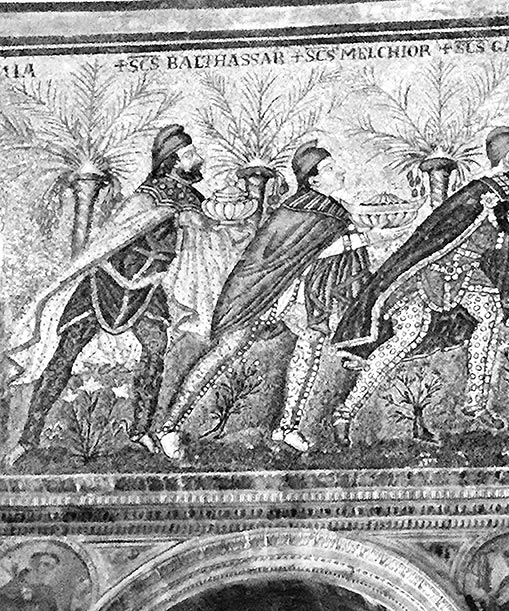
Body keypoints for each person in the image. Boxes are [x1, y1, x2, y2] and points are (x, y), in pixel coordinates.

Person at [331, 126, 509, 446]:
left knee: (490, 315)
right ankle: (346, 411)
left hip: (466, 273)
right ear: (507, 159)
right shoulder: (483, 190)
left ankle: (475, 405)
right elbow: (442, 234)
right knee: (406, 336)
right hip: (429, 274)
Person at [5, 125, 207, 464]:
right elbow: (122, 230)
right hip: (106, 283)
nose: (198, 158)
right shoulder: (150, 195)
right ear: (173, 161)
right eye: (189, 154)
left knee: (156, 350)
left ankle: (141, 431)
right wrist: (173, 215)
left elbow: (201, 235)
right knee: (66, 353)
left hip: (147, 289)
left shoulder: (194, 200)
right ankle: (27, 438)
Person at [157, 140, 372, 458]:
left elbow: (336, 254)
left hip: (301, 296)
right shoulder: (297, 210)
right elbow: (279, 256)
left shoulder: (335, 212)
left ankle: (287, 427)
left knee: (310, 343)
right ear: (313, 180)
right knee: (228, 349)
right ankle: (169, 427)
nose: (338, 172)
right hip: (264, 294)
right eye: (329, 169)